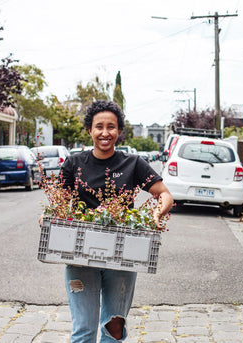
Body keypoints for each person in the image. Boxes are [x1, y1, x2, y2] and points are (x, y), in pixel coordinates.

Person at [58, 100, 173, 342]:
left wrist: (156, 214)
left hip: (122, 256)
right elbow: (58, 204)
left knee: (114, 330)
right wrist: (48, 215)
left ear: (119, 131)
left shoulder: (132, 163)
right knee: (83, 330)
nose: (105, 133)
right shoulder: (74, 163)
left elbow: (164, 194)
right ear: (89, 130)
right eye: (99, 126)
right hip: (80, 255)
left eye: (111, 127)